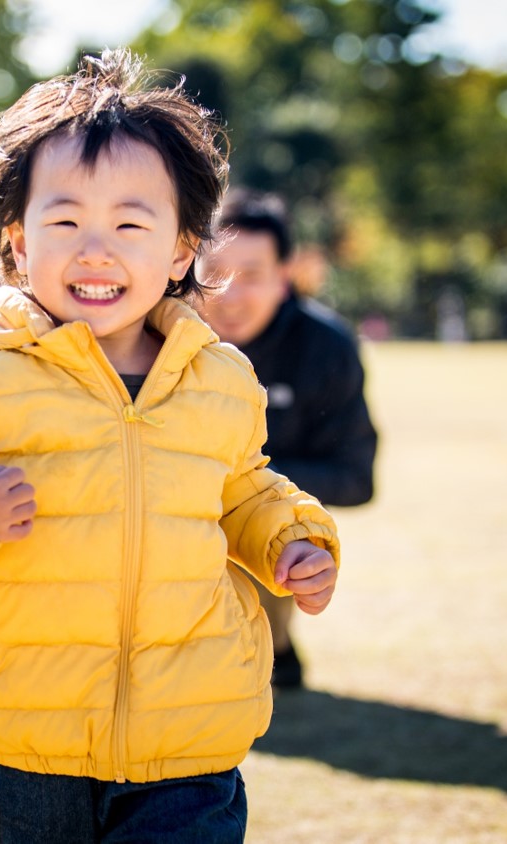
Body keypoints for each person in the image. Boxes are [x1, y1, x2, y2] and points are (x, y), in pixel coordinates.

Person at [0, 49, 341, 841]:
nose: (95, 249)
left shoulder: (217, 378)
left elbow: (241, 488)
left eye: (131, 225)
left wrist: (290, 536)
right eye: (65, 220)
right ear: (17, 242)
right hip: (32, 737)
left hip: (190, 732)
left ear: (181, 251)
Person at [197, 189, 378, 690]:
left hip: (263, 521)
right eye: (214, 273)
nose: (229, 293)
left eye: (251, 274)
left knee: (271, 522)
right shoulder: (157, 335)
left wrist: (249, 485)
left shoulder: (326, 348)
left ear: (285, 277)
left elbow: (356, 478)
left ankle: (269, 645)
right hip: (166, 514)